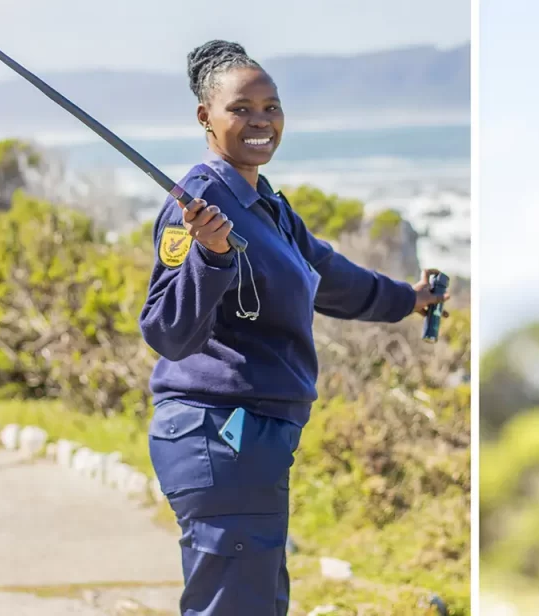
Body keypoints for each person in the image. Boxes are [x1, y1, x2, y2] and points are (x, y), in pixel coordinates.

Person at [137, 40, 449, 615]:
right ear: (205, 117)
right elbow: (166, 332)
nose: (261, 121)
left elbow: (331, 277)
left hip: (255, 441)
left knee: (260, 602)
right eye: (242, 108)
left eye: (271, 107)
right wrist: (209, 256)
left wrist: (409, 298)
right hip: (219, 434)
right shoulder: (200, 203)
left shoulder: (267, 205)